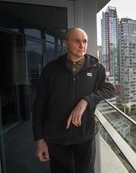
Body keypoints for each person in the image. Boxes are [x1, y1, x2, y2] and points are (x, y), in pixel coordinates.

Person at [32, 27, 115, 173]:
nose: (82, 45)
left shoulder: (96, 68)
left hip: (85, 136)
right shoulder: (50, 70)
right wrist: (39, 139)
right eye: (77, 41)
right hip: (56, 138)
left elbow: (110, 89)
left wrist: (86, 101)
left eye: (84, 41)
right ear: (66, 42)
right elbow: (39, 106)